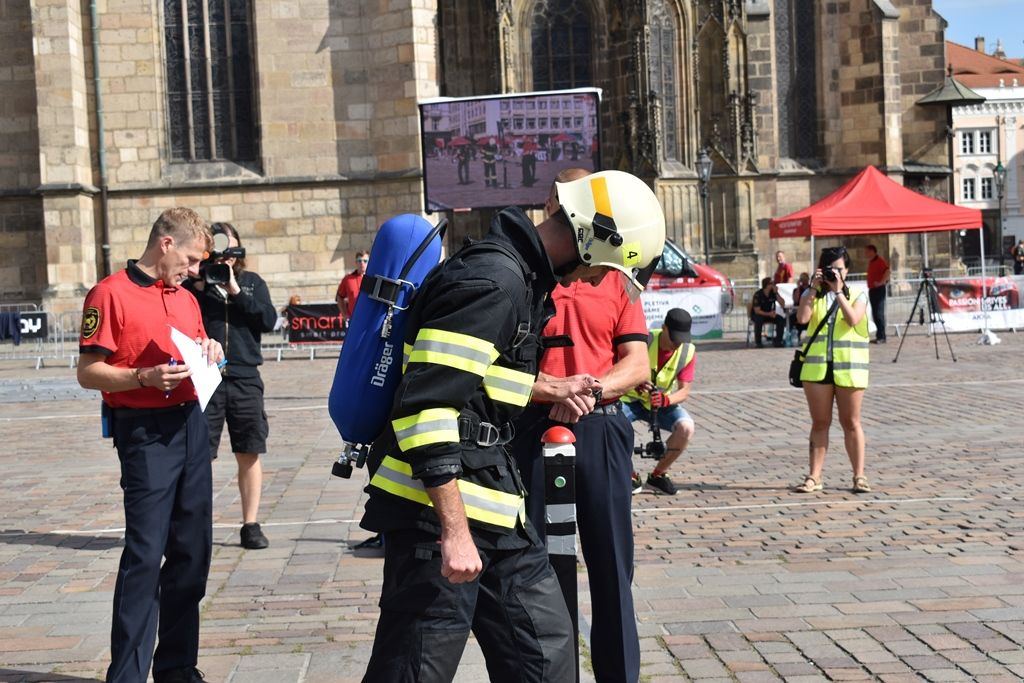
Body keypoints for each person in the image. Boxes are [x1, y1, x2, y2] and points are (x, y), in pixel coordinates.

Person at [358, 170, 666, 682]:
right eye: (604, 268)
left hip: (496, 508)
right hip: (436, 515)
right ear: (593, 239)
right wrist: (454, 533)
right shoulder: (493, 282)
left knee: (546, 658)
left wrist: (550, 388)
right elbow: (425, 408)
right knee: (415, 669)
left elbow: (477, 383)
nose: (597, 281)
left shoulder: (521, 278)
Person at [510, 168, 650, 683]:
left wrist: (586, 392)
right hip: (531, 428)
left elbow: (638, 364)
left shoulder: (616, 277)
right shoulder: (521, 272)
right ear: (552, 205)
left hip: (599, 428)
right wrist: (552, 391)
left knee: (612, 566)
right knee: (539, 571)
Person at [77, 207, 223, 683]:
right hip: (144, 432)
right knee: (144, 553)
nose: (194, 270)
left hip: (191, 424)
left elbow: (197, 344)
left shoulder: (187, 299)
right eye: (191, 259)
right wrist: (142, 376)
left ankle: (178, 668)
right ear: (165, 244)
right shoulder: (109, 294)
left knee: (193, 551)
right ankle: (127, 675)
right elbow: (88, 372)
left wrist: (212, 350)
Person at [184, 223, 277, 550]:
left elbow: (268, 321)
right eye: (218, 252)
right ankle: (196, 525)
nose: (224, 259)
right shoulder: (193, 285)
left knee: (249, 449)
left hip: (245, 376)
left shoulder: (251, 282)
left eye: (230, 251)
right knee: (199, 453)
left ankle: (250, 524)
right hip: (205, 377)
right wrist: (199, 286)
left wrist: (236, 291)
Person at [793, 245, 870, 494]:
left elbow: (853, 319)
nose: (835, 273)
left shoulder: (858, 293)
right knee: (819, 423)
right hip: (817, 370)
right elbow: (802, 319)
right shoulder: (814, 294)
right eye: (830, 269)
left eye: (839, 269)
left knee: (851, 422)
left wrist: (838, 292)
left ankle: (859, 476)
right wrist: (812, 289)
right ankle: (814, 476)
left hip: (849, 369)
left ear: (847, 270)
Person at [621, 308, 697, 497]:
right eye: (674, 339)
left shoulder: (687, 351)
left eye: (682, 339)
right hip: (631, 399)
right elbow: (620, 367)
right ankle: (630, 475)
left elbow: (685, 391)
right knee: (613, 426)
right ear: (664, 328)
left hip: (661, 403)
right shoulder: (644, 341)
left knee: (686, 428)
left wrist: (666, 399)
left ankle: (658, 474)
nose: (678, 344)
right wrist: (634, 381)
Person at [749, 277, 785, 347]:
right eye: (772, 284)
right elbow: (757, 311)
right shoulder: (758, 294)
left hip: (769, 314)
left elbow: (782, 304)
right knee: (759, 320)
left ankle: (778, 341)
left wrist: (776, 293)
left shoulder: (773, 293)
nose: (774, 285)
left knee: (780, 319)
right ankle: (758, 342)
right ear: (767, 285)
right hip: (759, 314)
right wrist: (769, 314)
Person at [865, 244, 890, 344]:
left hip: (878, 290)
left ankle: (882, 336)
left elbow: (887, 271)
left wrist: (881, 282)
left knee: (879, 313)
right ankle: (879, 335)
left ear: (872, 251)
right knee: (875, 314)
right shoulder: (871, 262)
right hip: (872, 290)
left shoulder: (880, 261)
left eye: (867, 251)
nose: (865, 254)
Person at [336, 251, 368, 321]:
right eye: (359, 261)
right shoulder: (348, 279)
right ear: (356, 263)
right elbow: (339, 297)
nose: (362, 263)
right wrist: (344, 314)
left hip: (370, 318)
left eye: (365, 261)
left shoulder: (374, 278)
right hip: (354, 319)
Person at [789, 272, 812, 343]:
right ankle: (792, 337)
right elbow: (796, 300)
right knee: (791, 318)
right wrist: (798, 287)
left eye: (805, 278)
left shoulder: (811, 289)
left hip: (809, 310)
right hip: (798, 310)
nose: (804, 280)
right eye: (802, 278)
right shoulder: (796, 290)